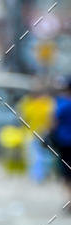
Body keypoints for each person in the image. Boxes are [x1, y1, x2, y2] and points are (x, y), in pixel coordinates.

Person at [17, 82, 55, 183]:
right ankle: (40, 175)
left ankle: (37, 176)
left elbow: (23, 117)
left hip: (32, 134)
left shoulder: (28, 103)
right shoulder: (48, 103)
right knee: (42, 155)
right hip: (43, 133)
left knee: (35, 156)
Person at [50, 78, 71, 211]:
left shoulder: (62, 105)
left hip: (64, 143)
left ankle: (69, 201)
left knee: (66, 173)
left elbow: (53, 122)